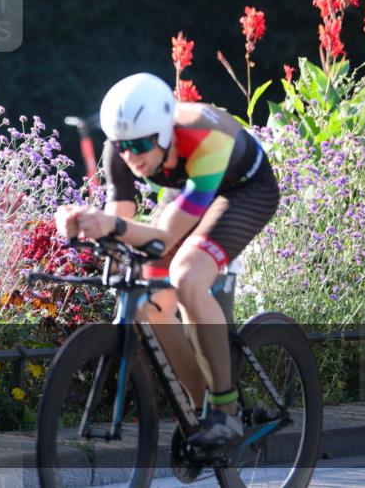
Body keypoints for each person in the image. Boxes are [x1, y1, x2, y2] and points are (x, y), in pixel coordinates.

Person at [54, 72, 280, 448]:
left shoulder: (206, 142)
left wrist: (111, 225)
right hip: (194, 188)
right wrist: (84, 223)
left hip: (244, 193)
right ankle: (199, 408)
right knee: (148, 297)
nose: (132, 156)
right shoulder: (123, 148)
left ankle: (226, 412)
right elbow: (122, 226)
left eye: (141, 145)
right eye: (123, 146)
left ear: (165, 133)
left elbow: (163, 238)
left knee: (188, 275)